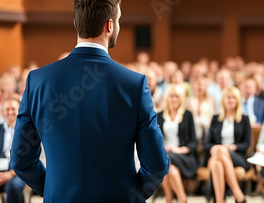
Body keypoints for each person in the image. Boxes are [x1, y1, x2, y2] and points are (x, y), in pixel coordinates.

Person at [10, 0, 170, 202]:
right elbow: (157, 164)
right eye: (118, 20)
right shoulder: (134, 84)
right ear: (110, 25)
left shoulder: (38, 81)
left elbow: (20, 159)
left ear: (76, 24)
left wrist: (53, 189)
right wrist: (135, 192)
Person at [204, 87, 250, 203]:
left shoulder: (244, 119)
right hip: (218, 154)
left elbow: (247, 143)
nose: (230, 100)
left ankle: (223, 199)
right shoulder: (216, 118)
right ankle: (237, 197)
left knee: (219, 153)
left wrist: (233, 147)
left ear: (238, 101)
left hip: (237, 156)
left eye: (234, 98)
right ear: (223, 100)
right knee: (216, 162)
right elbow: (207, 144)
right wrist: (217, 148)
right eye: (228, 97)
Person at [157, 85, 197, 203]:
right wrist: (163, 147)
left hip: (184, 155)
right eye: (171, 96)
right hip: (166, 153)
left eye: (177, 97)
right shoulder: (159, 115)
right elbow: (155, 139)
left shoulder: (187, 115)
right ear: (166, 98)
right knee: (170, 167)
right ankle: (181, 199)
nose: (174, 99)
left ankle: (170, 199)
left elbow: (193, 141)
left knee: (164, 160)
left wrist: (181, 150)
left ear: (181, 99)